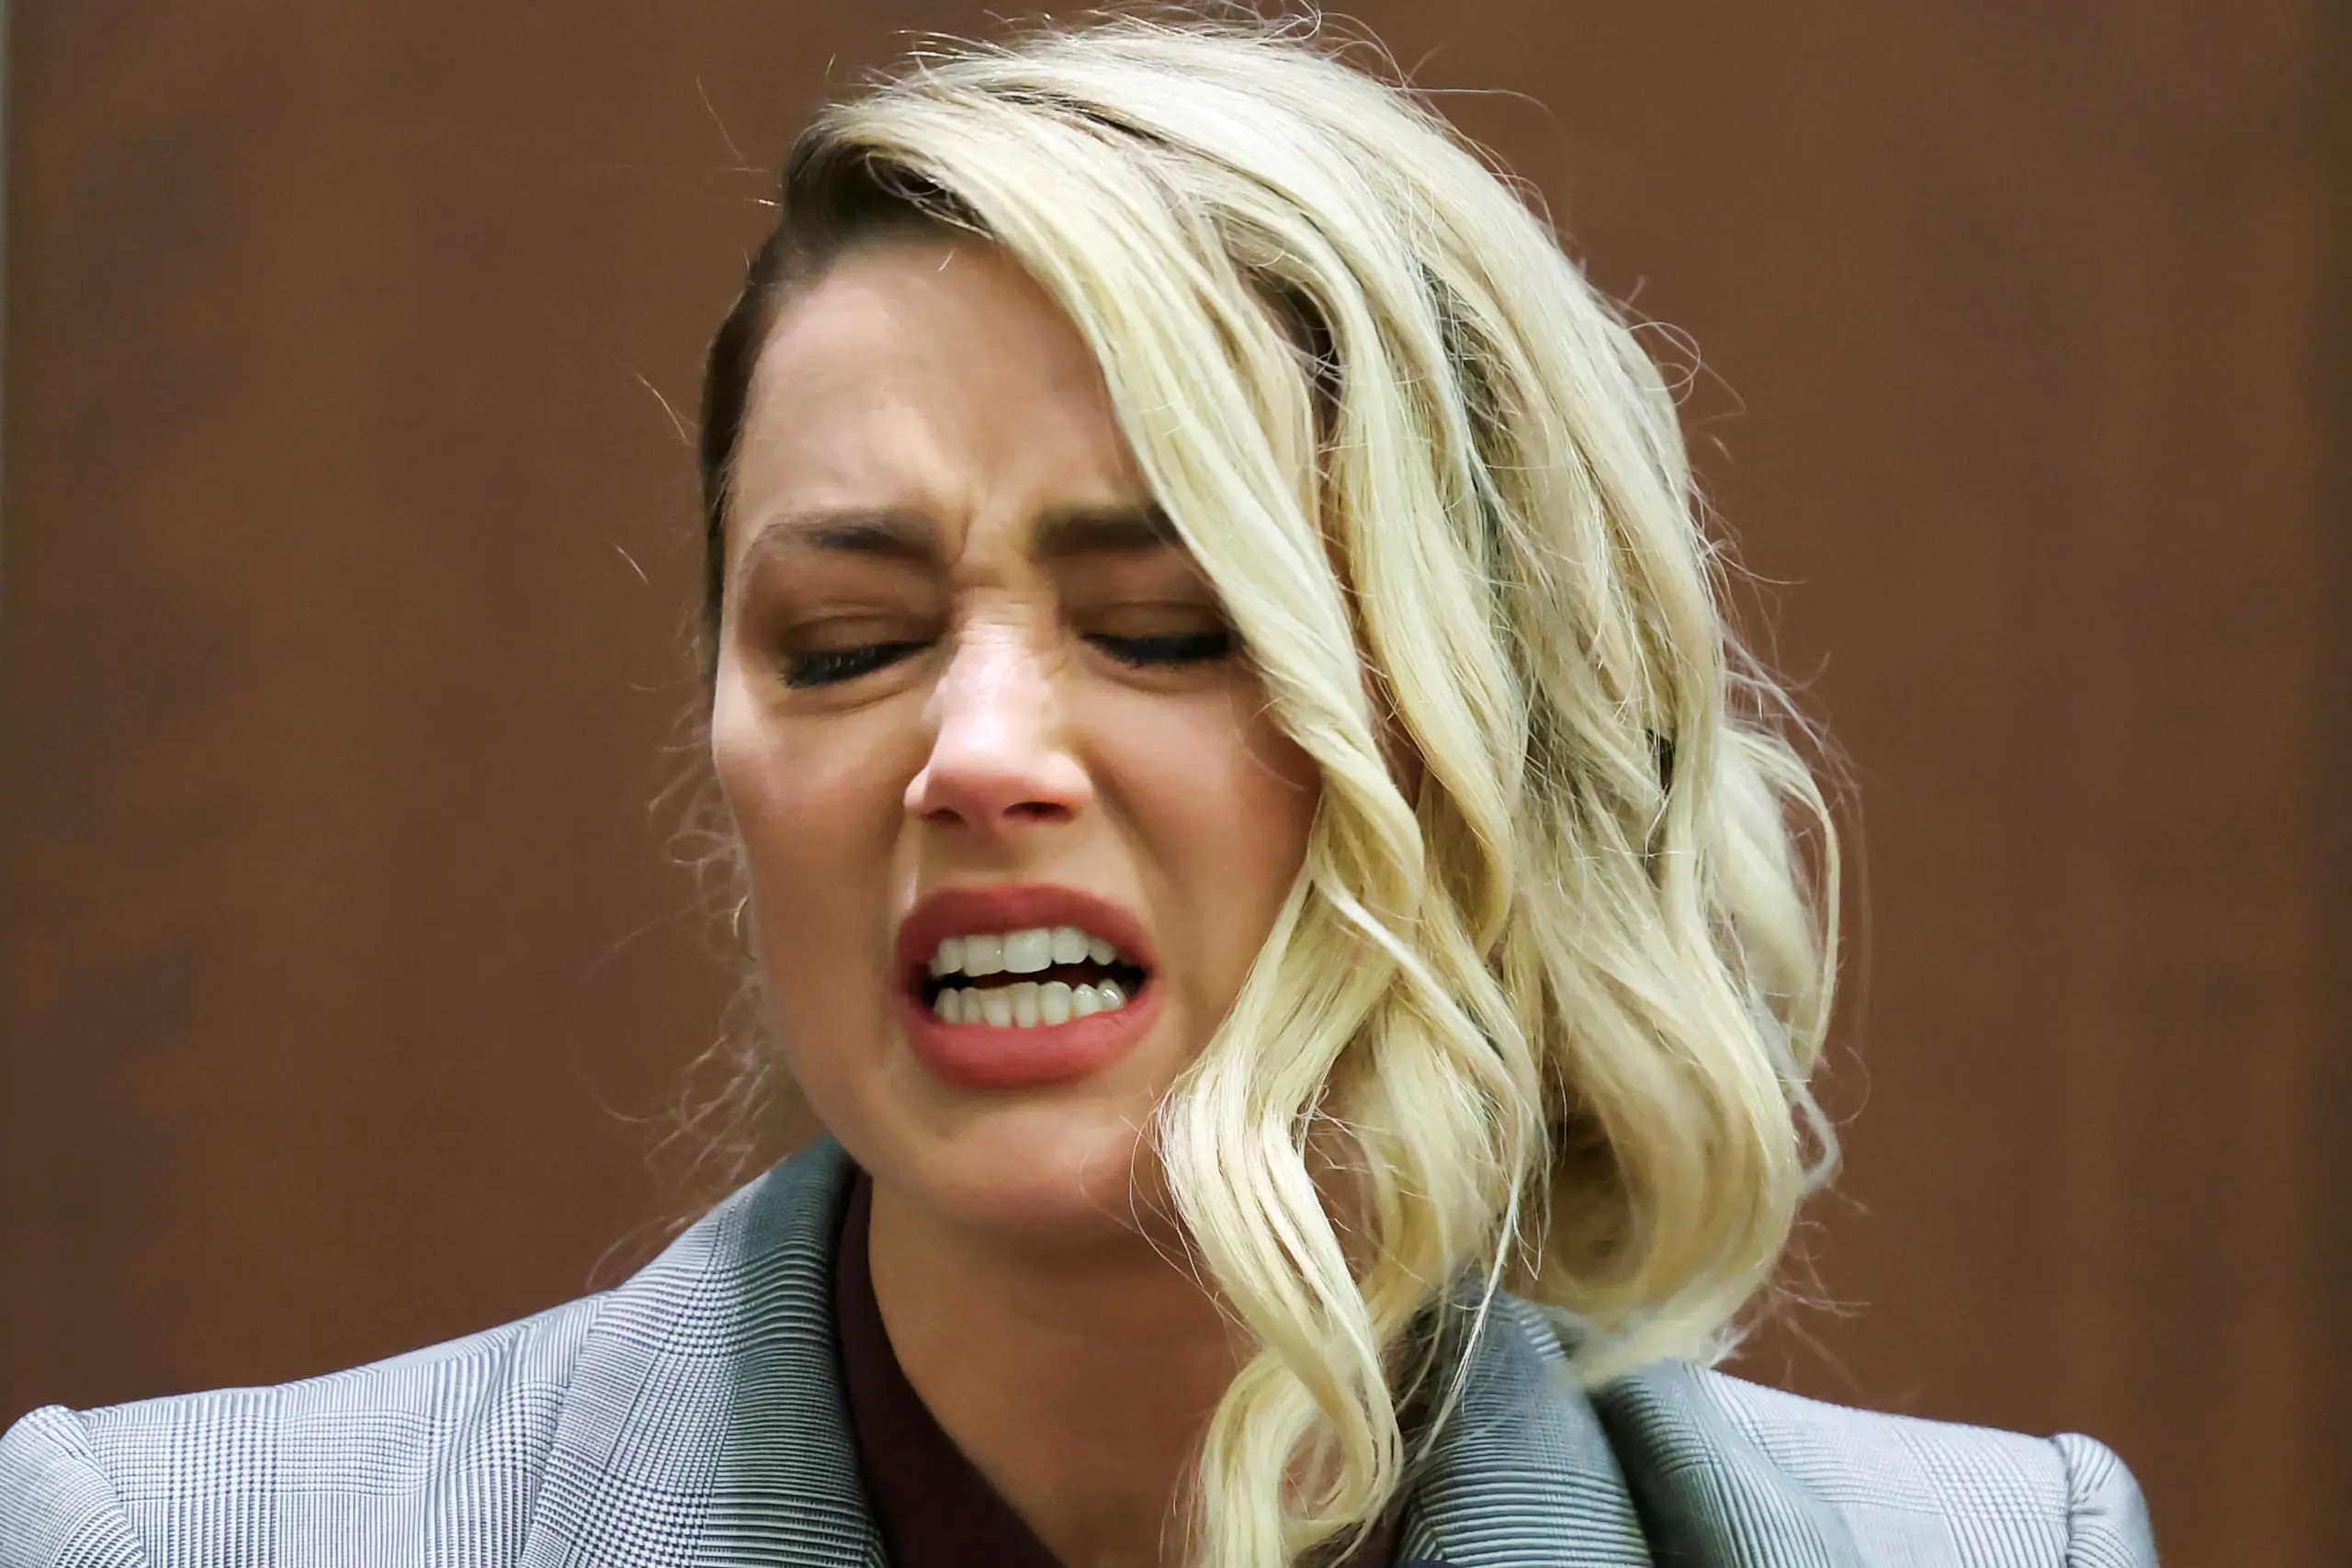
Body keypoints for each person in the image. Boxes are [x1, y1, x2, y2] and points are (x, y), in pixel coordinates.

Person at [0, 17, 2157, 1568]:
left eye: (1164, 625)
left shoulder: (1988, 1547)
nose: (973, 755)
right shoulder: (162, 1538)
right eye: (848, 644)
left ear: (1490, 725)